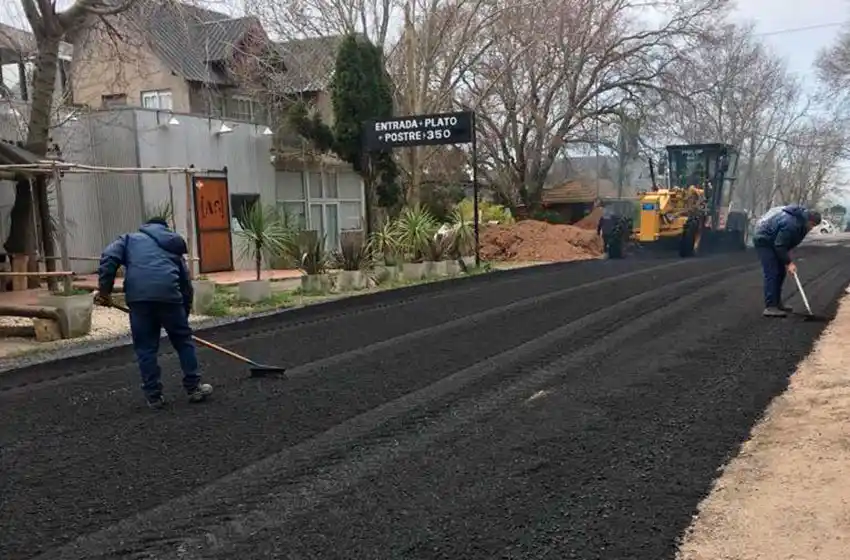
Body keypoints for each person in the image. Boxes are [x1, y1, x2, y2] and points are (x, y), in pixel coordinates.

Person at [94, 218, 213, 408]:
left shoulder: (129, 239)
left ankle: (154, 396)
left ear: (146, 227)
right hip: (170, 297)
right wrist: (183, 315)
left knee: (146, 348)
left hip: (139, 300)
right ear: (165, 229)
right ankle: (194, 388)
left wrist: (104, 291)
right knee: (183, 342)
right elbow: (185, 284)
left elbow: (109, 257)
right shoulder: (172, 244)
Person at [752, 204, 822, 318]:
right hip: (764, 240)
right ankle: (770, 307)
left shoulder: (802, 224)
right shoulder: (791, 224)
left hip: (774, 240)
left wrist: (786, 259)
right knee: (772, 272)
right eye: (812, 225)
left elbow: (785, 244)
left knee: (781, 272)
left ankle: (777, 303)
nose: (812, 228)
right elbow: (779, 245)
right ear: (808, 220)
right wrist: (789, 263)